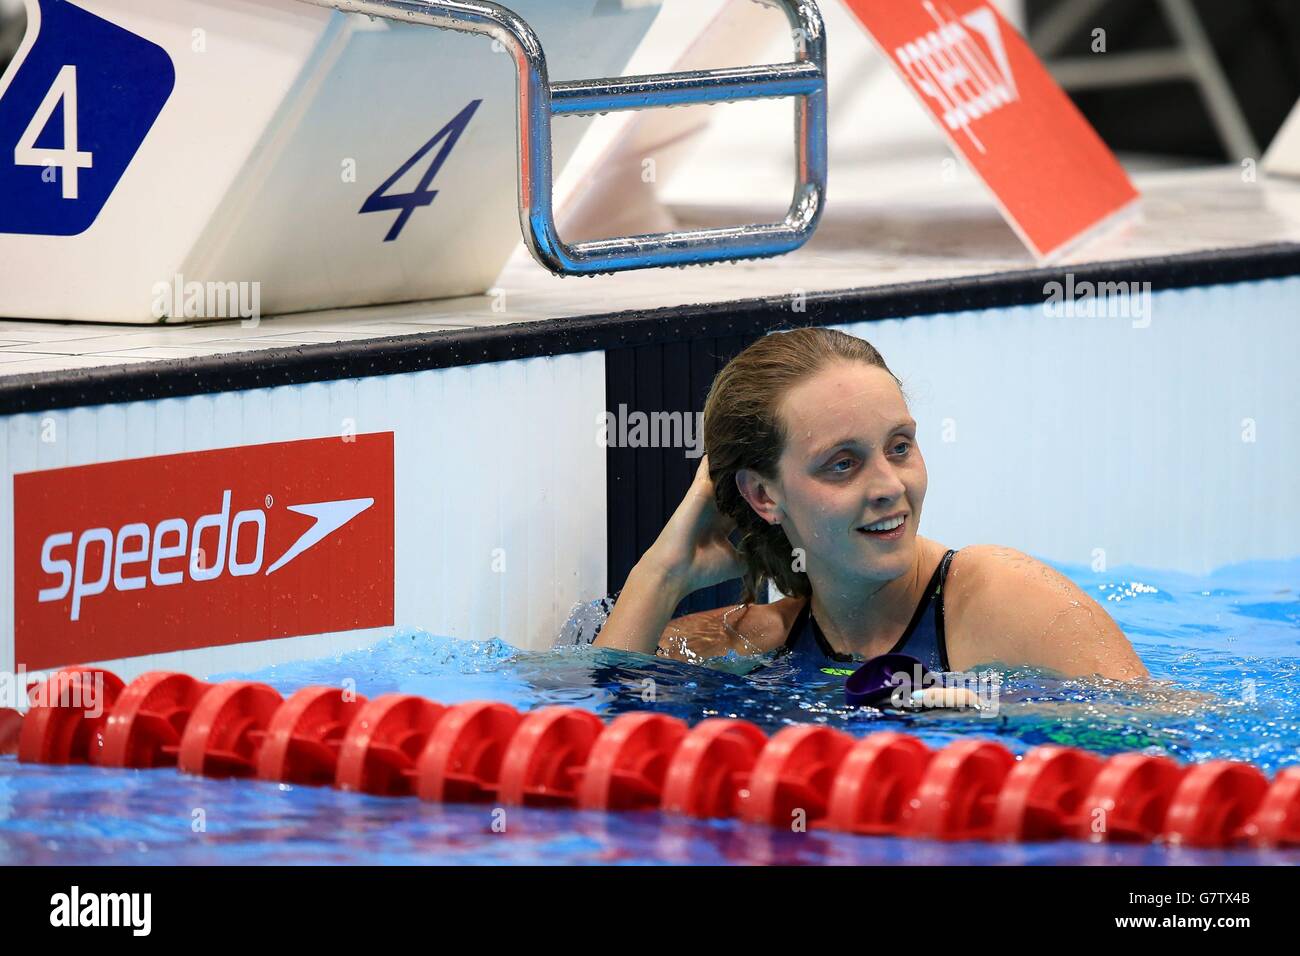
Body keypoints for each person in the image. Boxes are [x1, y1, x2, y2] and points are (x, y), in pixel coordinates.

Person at [594, 327, 1149, 686]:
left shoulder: (999, 600)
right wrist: (661, 575)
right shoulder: (756, 643)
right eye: (843, 463)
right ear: (765, 496)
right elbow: (589, 730)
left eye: (899, 447)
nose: (889, 485)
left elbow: (1165, 746)